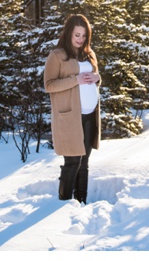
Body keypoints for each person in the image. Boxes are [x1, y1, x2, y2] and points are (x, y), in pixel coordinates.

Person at [43, 13, 101, 204]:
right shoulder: (57, 56)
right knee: (72, 162)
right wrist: (74, 80)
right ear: (68, 33)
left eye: (84, 36)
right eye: (77, 35)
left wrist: (97, 78)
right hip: (69, 117)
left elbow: (95, 78)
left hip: (90, 115)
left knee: (84, 163)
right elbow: (49, 85)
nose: (80, 39)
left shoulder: (89, 53)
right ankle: (64, 202)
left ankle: (81, 201)